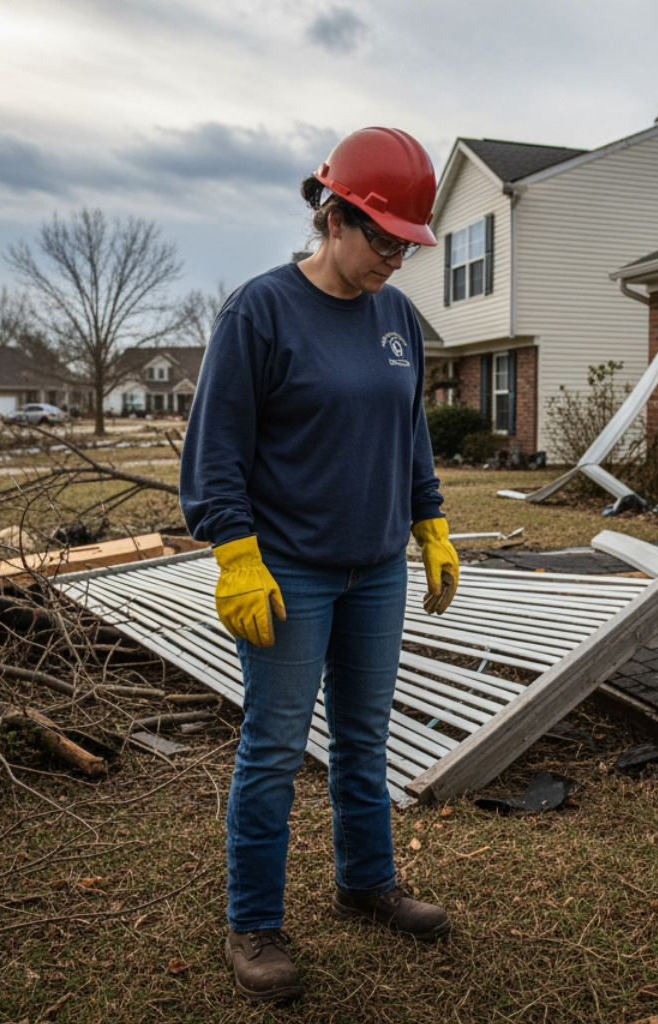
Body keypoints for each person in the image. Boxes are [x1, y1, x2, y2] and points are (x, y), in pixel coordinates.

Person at [179, 126, 462, 1005]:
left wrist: (432, 522)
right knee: (272, 750)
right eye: (383, 241)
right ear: (332, 216)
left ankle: (365, 882)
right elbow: (215, 448)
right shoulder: (259, 311)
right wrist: (235, 552)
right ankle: (254, 922)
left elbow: (407, 431)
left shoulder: (397, 320)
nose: (394, 261)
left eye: (407, 247)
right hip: (289, 570)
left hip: (374, 568)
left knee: (363, 740)